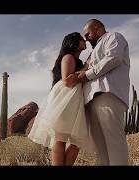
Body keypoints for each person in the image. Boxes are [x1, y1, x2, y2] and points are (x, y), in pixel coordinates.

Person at [28, 32, 90, 166]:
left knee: (75, 142)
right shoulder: (68, 57)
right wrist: (86, 69)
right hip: (65, 99)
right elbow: (67, 81)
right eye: (81, 39)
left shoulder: (76, 60)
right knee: (60, 138)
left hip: (73, 100)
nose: (84, 40)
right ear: (73, 42)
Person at [76, 19, 131, 165]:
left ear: (98, 28)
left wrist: (87, 75)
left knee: (114, 141)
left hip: (107, 94)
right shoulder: (93, 51)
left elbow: (114, 58)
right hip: (92, 99)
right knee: (100, 148)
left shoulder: (113, 37)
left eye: (87, 34)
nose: (86, 39)